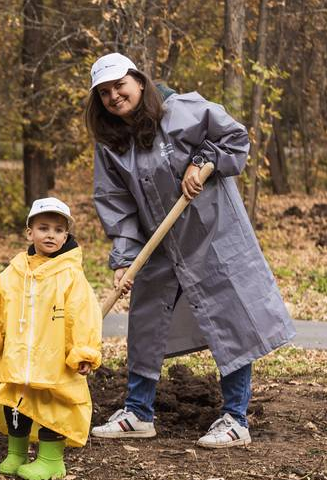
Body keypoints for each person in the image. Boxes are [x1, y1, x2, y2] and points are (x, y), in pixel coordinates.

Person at [85, 52, 295, 448]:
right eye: (105, 93)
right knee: (145, 322)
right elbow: (116, 202)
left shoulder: (182, 110)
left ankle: (235, 419)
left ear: (139, 81)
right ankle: (138, 413)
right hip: (158, 244)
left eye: (120, 86)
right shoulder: (110, 145)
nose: (114, 96)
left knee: (231, 318)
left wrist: (203, 160)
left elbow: (234, 137)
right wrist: (125, 258)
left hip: (212, 235)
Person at [0, 198, 102, 480]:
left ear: (66, 236)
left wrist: (83, 351)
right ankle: (16, 452)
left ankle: (51, 460)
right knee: (15, 402)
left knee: (52, 406)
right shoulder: (13, 274)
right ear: (29, 233)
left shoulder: (70, 276)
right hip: (17, 358)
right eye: (43, 227)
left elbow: (82, 315)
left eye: (57, 229)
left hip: (53, 359)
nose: (50, 234)